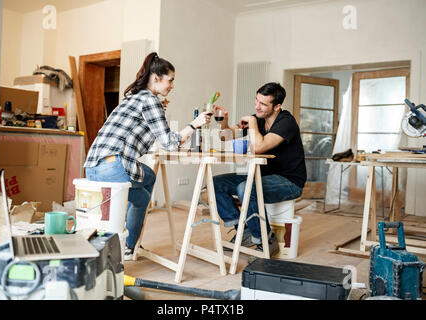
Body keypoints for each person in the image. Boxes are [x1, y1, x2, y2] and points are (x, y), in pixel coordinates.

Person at [84, 52, 211, 260]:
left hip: (93, 166)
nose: (172, 85)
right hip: (115, 168)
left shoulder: (133, 97)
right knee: (143, 193)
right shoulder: (150, 100)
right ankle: (128, 247)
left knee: (145, 188)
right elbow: (170, 143)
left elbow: (134, 125)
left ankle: (129, 244)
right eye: (170, 80)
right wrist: (194, 125)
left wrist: (157, 110)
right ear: (156, 78)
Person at [213, 82, 306, 255]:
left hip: (289, 182)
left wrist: (254, 124)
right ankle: (244, 230)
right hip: (261, 177)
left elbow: (259, 147)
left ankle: (265, 239)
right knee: (215, 183)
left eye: (263, 104)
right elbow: (225, 137)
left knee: (245, 188)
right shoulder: (257, 119)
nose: (257, 106)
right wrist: (224, 123)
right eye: (256, 101)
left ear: (277, 106)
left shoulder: (286, 122)